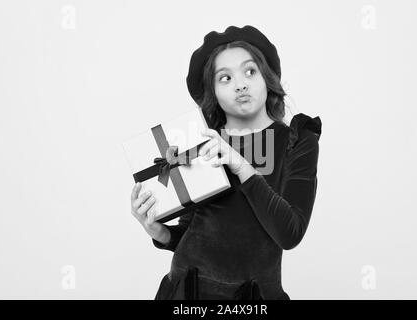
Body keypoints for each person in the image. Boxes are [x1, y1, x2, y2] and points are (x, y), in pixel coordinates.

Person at [130, 25, 322, 300]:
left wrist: (241, 166)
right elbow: (193, 230)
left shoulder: (296, 140)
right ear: (213, 93)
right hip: (187, 291)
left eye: (250, 71)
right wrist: (158, 231)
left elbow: (289, 233)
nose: (240, 84)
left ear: (266, 77)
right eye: (225, 78)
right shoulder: (203, 139)